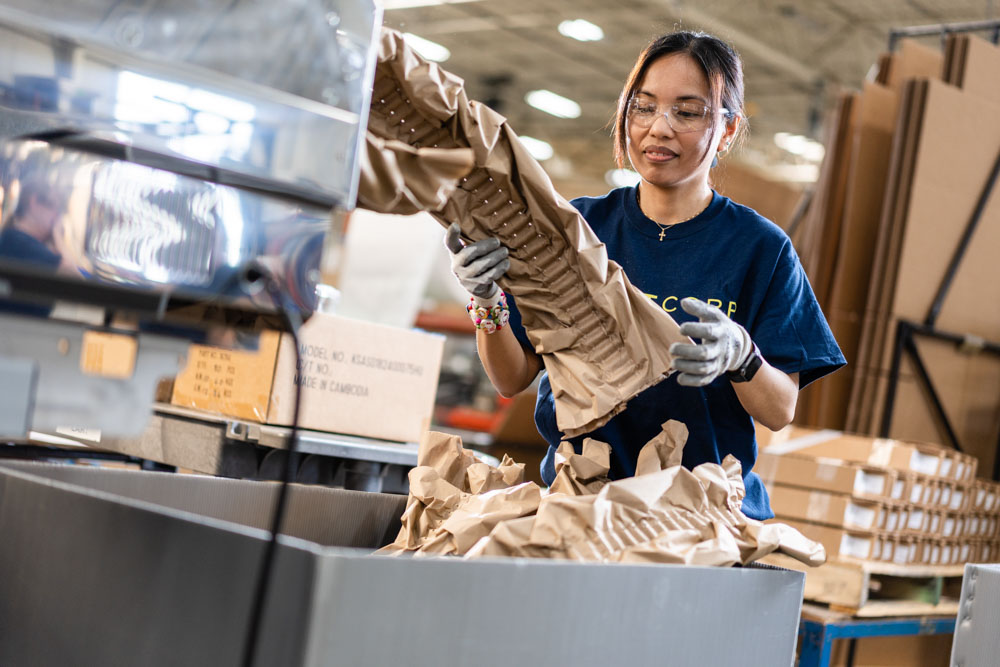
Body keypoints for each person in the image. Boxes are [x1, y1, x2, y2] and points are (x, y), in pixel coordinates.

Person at [444, 31, 845, 520]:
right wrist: (487, 303)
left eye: (688, 111)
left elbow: (780, 411)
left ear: (727, 129)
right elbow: (512, 377)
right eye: (644, 106)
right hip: (582, 505)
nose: (659, 128)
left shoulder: (760, 248)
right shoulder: (574, 228)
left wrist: (742, 357)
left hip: (701, 520)